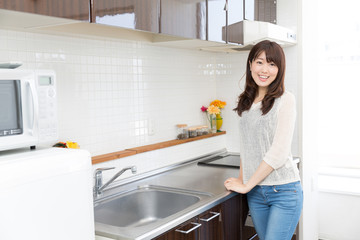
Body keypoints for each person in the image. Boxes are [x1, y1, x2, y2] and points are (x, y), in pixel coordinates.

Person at [224, 40, 303, 240]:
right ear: (250, 64)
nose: (264, 69)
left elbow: (278, 152)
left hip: (283, 191)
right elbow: (247, 147)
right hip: (257, 194)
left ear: (279, 69)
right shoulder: (245, 102)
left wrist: (246, 184)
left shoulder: (286, 99)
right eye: (259, 62)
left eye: (272, 64)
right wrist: (243, 179)